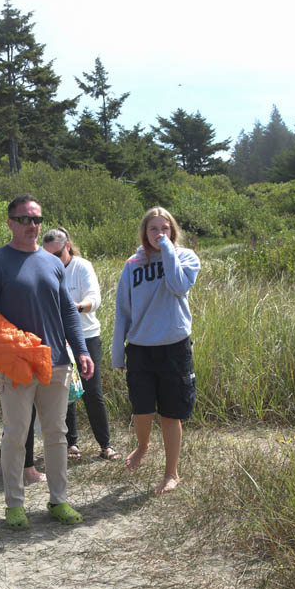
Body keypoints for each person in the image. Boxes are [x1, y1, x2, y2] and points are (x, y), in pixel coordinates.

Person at [0, 194, 94, 530]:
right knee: (16, 434)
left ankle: (59, 500)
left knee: (57, 434)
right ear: (10, 221)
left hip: (56, 362)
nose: (32, 225)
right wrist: (11, 349)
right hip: (16, 365)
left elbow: (68, 311)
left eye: (37, 219)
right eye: (25, 219)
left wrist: (81, 350)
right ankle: (14, 504)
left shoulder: (53, 262)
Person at [111, 207, 200, 494]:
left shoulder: (186, 258)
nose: (159, 233)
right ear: (144, 232)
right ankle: (143, 446)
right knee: (141, 409)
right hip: (139, 347)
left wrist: (167, 250)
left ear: (172, 230)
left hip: (174, 347)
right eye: (153, 229)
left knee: (170, 414)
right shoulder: (132, 264)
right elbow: (123, 310)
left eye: (165, 228)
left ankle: (171, 473)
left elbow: (177, 286)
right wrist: (117, 352)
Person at [40, 227, 119, 461]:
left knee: (92, 391)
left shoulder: (81, 266)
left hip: (86, 336)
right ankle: (71, 444)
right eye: (47, 255)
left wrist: (72, 309)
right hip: (57, 340)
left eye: (56, 254)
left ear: (67, 247)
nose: (52, 260)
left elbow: (94, 299)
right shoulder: (43, 269)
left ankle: (106, 445)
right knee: (65, 391)